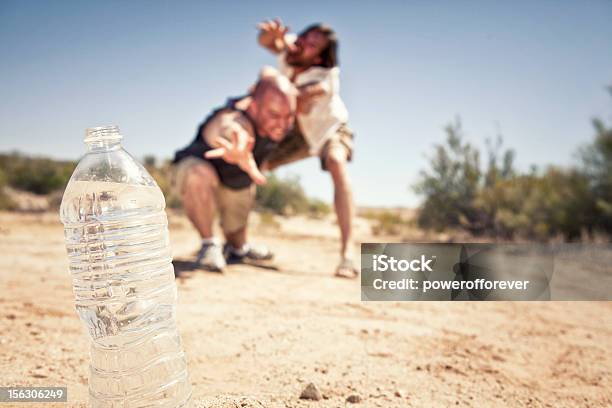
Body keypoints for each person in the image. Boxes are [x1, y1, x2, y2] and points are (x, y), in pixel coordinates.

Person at [257, 19, 358, 278]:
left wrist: (270, 86)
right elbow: (266, 42)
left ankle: (347, 254)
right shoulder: (290, 50)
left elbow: (301, 103)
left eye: (314, 44)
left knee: (336, 162)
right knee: (254, 166)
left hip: (330, 130)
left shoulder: (326, 76)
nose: (305, 44)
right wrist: (270, 37)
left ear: (320, 56)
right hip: (298, 133)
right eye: (306, 37)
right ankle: (236, 243)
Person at [172, 68, 297, 272]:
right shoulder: (235, 116)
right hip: (198, 176)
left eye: (288, 116)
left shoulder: (282, 116)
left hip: (235, 184)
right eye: (274, 114)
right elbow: (225, 127)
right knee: (198, 173)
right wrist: (235, 146)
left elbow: (268, 71)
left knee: (236, 244)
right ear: (253, 105)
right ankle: (208, 245)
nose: (282, 124)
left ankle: (239, 248)